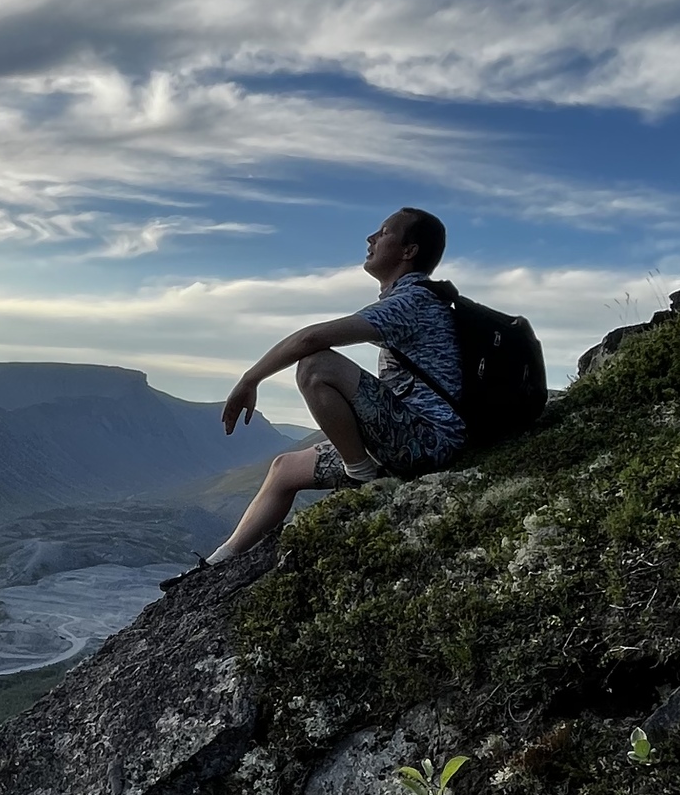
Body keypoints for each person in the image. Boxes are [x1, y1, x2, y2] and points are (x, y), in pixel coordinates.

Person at [182, 205, 469, 576]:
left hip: (428, 441)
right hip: (407, 436)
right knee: (284, 469)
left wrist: (249, 380)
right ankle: (216, 565)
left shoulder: (413, 301)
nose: (371, 238)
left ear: (408, 251)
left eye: (383, 232)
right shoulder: (413, 300)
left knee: (316, 364)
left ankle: (362, 479)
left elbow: (311, 338)